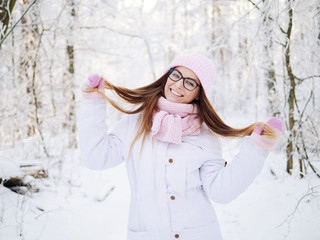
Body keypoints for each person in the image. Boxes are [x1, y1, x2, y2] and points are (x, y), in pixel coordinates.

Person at [79, 53, 282, 240]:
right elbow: (96, 158)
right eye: (176, 75)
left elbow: (221, 191)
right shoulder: (136, 124)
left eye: (190, 82)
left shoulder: (204, 135)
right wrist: (93, 104)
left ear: (199, 93)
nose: (179, 85)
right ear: (167, 76)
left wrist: (257, 149)